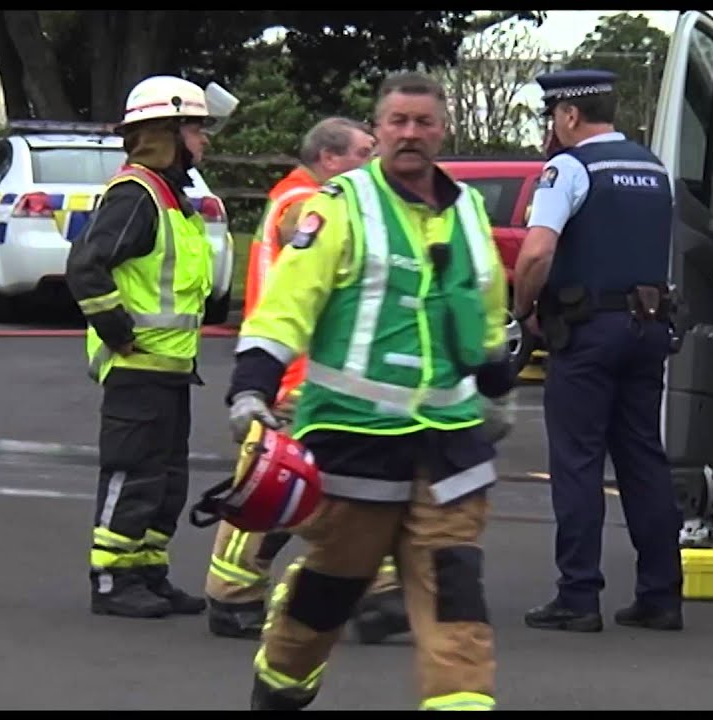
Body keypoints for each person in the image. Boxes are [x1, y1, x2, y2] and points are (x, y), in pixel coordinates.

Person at [223, 70, 514, 711]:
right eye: (398, 122)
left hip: (450, 450)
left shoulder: (468, 211)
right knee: (329, 593)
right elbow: (287, 306)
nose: (410, 134)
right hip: (354, 440)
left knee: (456, 597)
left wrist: (496, 386)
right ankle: (277, 691)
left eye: (423, 122)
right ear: (378, 129)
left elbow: (487, 307)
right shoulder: (339, 206)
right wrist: (252, 388)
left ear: (442, 130)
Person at [204, 116, 410, 645]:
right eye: (365, 151)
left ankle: (375, 588)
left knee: (344, 482)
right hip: (297, 374)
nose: (374, 160)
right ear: (330, 159)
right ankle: (235, 594)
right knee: (278, 488)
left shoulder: (315, 199)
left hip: (320, 375)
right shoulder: (305, 202)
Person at [511, 69, 685, 633]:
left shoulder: (569, 167)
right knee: (643, 460)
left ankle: (578, 596)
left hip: (587, 333)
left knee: (578, 461)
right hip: (649, 326)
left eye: (552, 117)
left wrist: (522, 308)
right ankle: (662, 595)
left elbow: (537, 253)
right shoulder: (652, 167)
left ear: (568, 115)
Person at [66, 74, 236, 619]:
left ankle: (146, 571)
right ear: (168, 132)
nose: (205, 140)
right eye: (196, 128)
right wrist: (116, 332)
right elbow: (87, 267)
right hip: (137, 366)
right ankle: (112, 581)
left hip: (169, 368)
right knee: (131, 470)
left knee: (165, 479)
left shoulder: (170, 197)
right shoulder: (137, 196)